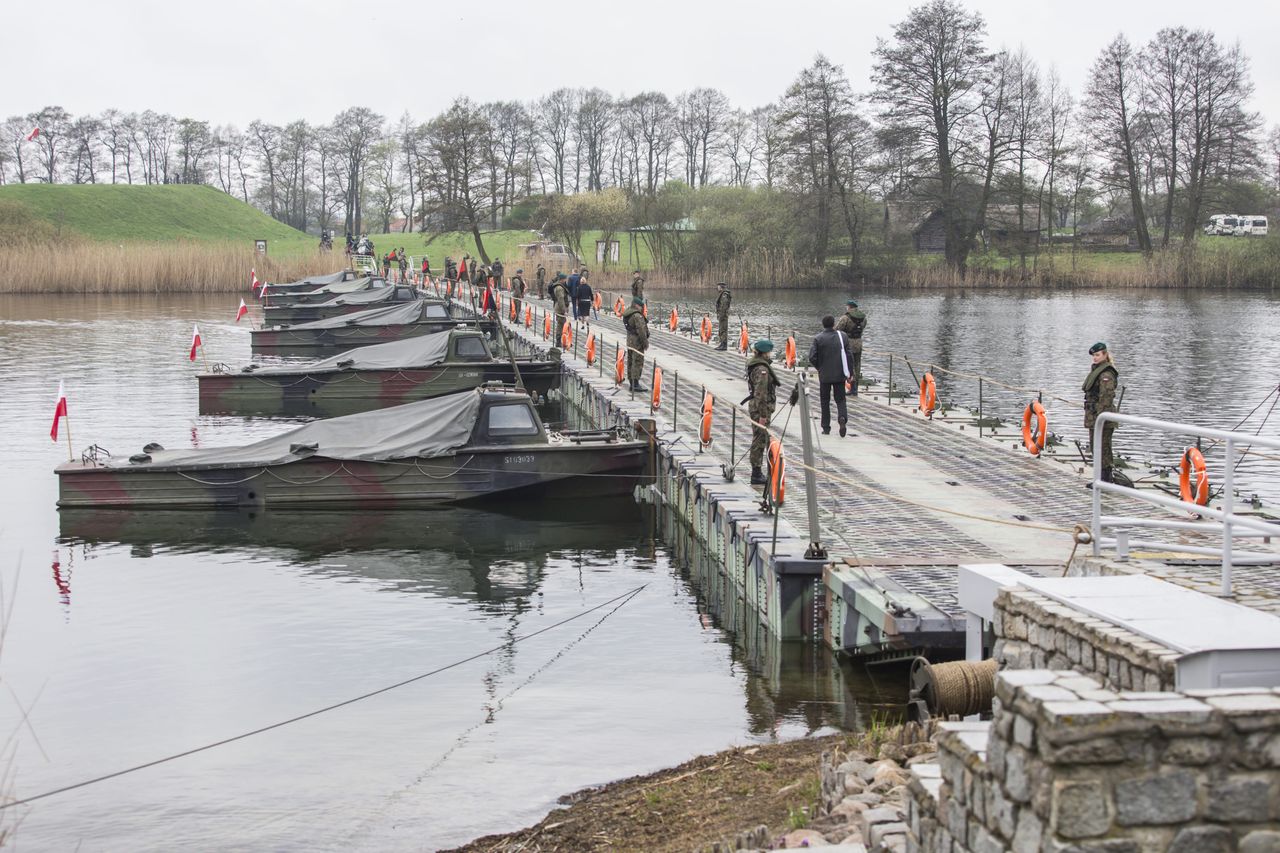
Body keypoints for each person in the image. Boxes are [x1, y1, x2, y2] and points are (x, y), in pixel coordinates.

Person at [808, 315, 854, 436]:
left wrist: (820, 367)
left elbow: (812, 357)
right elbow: (849, 355)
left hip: (825, 375)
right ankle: (842, 418)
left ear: (823, 325)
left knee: (824, 401)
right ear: (834, 324)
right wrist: (850, 373)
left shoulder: (818, 338)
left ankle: (826, 427)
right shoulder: (842, 336)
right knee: (840, 399)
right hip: (840, 374)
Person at [1083, 342, 1120, 482]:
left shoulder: (1106, 374)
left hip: (1102, 419)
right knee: (1095, 447)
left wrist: (1101, 419)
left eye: (1098, 355)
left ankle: (1105, 479)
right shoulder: (1096, 371)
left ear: (1105, 355)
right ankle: (1100, 479)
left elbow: (1106, 398)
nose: (1095, 358)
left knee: (1103, 449)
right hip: (1093, 417)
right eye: (1094, 355)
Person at [745, 339, 780, 485]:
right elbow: (761, 394)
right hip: (760, 409)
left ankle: (758, 471)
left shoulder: (755, 364)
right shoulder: (762, 370)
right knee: (759, 440)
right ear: (765, 352)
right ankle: (756, 473)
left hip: (756, 407)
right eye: (769, 351)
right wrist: (763, 415)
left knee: (760, 438)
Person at [834, 299, 867, 396]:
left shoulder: (845, 317)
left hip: (849, 343)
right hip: (859, 342)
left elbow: (837, 329)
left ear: (849, 307)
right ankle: (856, 386)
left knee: (850, 365)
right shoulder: (863, 317)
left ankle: (853, 388)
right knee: (857, 365)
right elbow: (863, 327)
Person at [622, 296, 649, 392]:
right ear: (637, 305)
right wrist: (645, 343)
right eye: (641, 306)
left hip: (630, 341)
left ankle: (631, 383)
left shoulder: (628, 313)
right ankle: (635, 384)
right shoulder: (637, 316)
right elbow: (641, 330)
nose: (642, 308)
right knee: (637, 362)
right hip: (637, 342)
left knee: (630, 361)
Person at [549, 273, 571, 345]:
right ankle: (558, 341)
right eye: (565, 279)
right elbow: (561, 299)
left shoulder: (559, 286)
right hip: (560, 309)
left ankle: (561, 340)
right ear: (562, 279)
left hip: (559, 308)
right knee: (560, 325)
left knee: (562, 324)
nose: (566, 280)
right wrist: (564, 310)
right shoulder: (559, 288)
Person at [714, 281, 732, 350]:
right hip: (722, 314)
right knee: (721, 329)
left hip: (723, 315)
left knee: (723, 330)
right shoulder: (722, 294)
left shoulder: (724, 295)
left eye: (718, 287)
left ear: (721, 287)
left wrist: (721, 315)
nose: (717, 288)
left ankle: (724, 345)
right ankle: (722, 343)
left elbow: (724, 306)